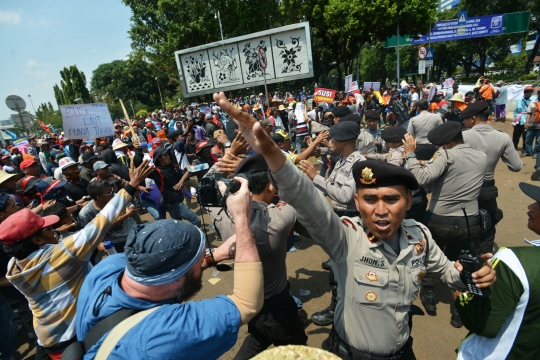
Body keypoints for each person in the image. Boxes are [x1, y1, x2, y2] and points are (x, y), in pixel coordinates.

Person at [214, 89, 496, 360]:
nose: (382, 210)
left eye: (392, 199)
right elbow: (305, 197)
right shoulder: (345, 236)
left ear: (409, 201)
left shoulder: (419, 236)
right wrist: (270, 151)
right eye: (371, 199)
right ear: (358, 203)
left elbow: (447, 271)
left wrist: (471, 275)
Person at [74, 177, 264, 359]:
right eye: (198, 262)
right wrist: (241, 217)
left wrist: (212, 257)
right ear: (176, 281)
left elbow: (163, 268)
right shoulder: (167, 334)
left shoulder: (107, 267)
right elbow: (247, 303)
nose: (202, 261)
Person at [1, 160, 154, 359]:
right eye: (47, 228)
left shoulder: (15, 266)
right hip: (74, 335)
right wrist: (130, 187)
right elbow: (101, 221)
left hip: (48, 338)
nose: (53, 230)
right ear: (37, 240)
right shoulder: (62, 255)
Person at [210, 155, 307, 359]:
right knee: (299, 348)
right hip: (279, 306)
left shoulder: (221, 215)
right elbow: (298, 189)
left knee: (257, 338)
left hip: (250, 303)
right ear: (271, 186)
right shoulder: (280, 218)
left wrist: (226, 159)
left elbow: (208, 184)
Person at [403, 121, 488, 328]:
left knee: (432, 256)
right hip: (470, 220)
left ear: (449, 142)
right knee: (464, 262)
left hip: (441, 218)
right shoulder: (481, 156)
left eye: (440, 145)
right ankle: (460, 309)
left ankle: (429, 294)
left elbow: (420, 179)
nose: (437, 149)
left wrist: (411, 155)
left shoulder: (446, 155)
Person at [455, 181, 540, 360]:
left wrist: (461, 298)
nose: (530, 206)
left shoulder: (514, 262)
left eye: (538, 204)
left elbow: (485, 324)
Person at [298, 121, 365, 327]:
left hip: (351, 219)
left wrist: (315, 177)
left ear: (344, 141)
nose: (330, 141)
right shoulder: (343, 159)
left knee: (341, 267)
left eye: (333, 138)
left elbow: (345, 195)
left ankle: (338, 308)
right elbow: (333, 187)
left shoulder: (357, 163)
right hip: (340, 216)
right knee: (338, 265)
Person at [462, 101, 523, 253]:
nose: (464, 121)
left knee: (464, 225)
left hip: (463, 188)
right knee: (487, 226)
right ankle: (486, 263)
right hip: (487, 189)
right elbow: (516, 166)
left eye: (466, 118)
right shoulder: (502, 137)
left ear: (473, 118)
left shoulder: (462, 136)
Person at [147, 146, 201, 227]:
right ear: (159, 159)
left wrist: (188, 170)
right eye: (165, 155)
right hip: (174, 204)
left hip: (176, 202)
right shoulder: (157, 172)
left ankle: (184, 239)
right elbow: (139, 164)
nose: (168, 156)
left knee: (179, 227)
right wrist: (138, 151)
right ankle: (197, 238)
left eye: (168, 154)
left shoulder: (173, 168)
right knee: (196, 221)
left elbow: (179, 184)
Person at [77, 180, 137, 253]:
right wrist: (98, 243)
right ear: (99, 198)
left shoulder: (115, 197)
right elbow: (85, 234)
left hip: (133, 233)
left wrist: (129, 210)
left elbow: (132, 208)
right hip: (114, 243)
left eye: (112, 190)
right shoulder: (86, 213)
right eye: (110, 192)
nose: (113, 193)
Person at [513, 85, 536, 151]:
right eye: (525, 91)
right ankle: (514, 147)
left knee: (526, 135)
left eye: (528, 91)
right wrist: (515, 120)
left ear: (532, 92)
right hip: (519, 119)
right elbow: (516, 110)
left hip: (528, 119)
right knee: (516, 134)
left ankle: (525, 149)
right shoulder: (520, 100)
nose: (526, 93)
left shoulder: (534, 99)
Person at [524, 87, 540, 160]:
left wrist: (538, 110)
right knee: (528, 139)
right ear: (537, 93)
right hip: (532, 124)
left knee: (538, 141)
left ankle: (536, 153)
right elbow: (529, 113)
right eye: (539, 92)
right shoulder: (532, 102)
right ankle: (528, 151)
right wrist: (527, 122)